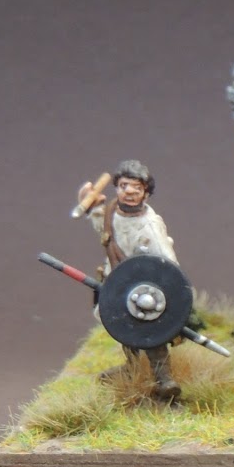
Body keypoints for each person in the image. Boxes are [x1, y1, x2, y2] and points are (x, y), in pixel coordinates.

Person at [77, 160, 182, 400]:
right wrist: (93, 206)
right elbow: (104, 231)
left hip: (147, 288)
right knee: (124, 328)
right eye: (124, 186)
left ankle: (164, 379)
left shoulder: (150, 224)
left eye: (137, 187)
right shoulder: (112, 212)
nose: (130, 192)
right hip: (118, 282)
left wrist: (169, 291)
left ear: (146, 193)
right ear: (117, 188)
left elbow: (167, 262)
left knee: (152, 332)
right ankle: (133, 368)